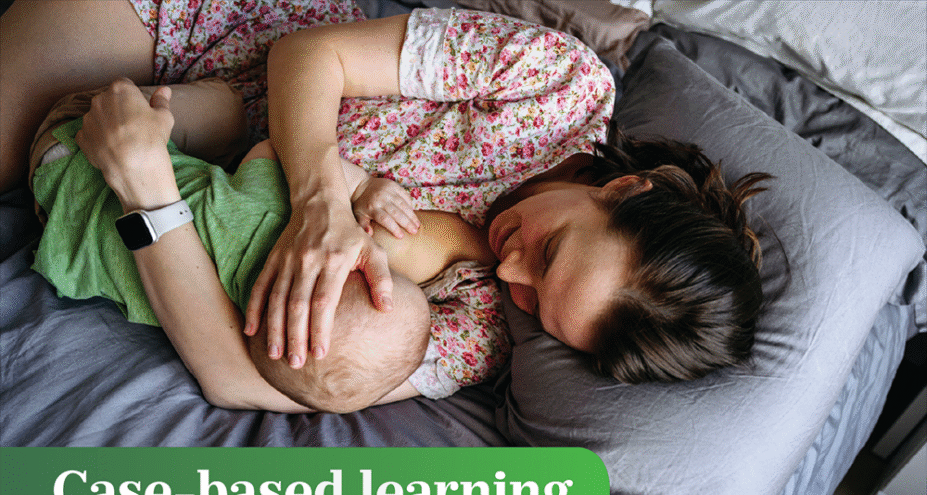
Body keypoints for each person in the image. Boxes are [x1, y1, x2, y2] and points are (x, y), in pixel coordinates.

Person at [2, 1, 770, 410]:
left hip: (191, 160)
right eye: (548, 250)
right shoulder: (556, 84)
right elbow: (308, 54)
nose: (509, 267)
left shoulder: (484, 330)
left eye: (537, 301)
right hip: (236, 29)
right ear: (623, 189)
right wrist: (319, 203)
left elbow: (244, 381)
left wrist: (149, 198)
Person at [28, 79, 505, 412]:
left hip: (75, 143)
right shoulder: (227, 317)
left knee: (229, 109)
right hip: (61, 237)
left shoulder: (269, 209)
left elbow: (265, 149)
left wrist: (357, 191)